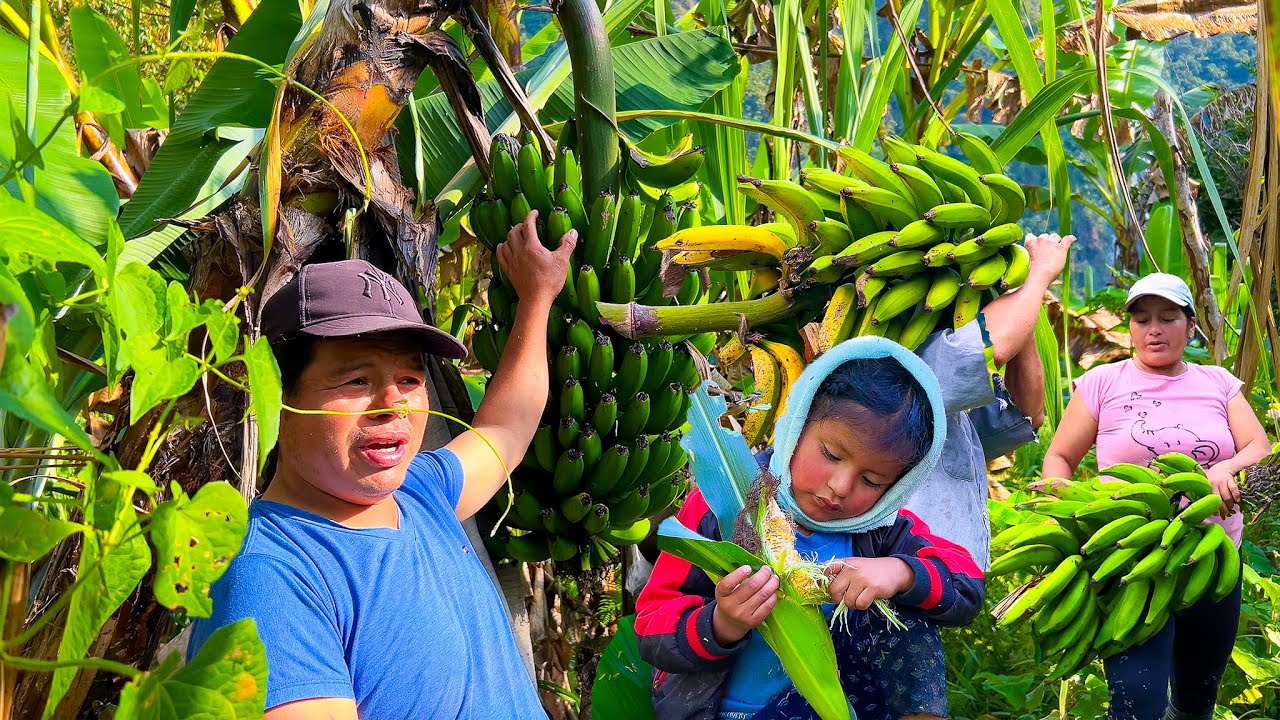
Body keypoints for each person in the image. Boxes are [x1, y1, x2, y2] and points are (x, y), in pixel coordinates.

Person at [186, 210, 575, 719]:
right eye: (356, 381)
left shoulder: (421, 494)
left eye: (410, 380)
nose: (393, 404)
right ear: (275, 395)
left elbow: (505, 428)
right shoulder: (270, 576)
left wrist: (537, 297)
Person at [635, 338, 985, 720]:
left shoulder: (882, 530)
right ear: (798, 423)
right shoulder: (722, 505)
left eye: (871, 480)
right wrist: (722, 622)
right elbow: (653, 626)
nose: (840, 487)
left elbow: (967, 583)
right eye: (831, 455)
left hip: (836, 706)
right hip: (731, 712)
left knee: (907, 611)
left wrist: (900, 572)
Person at [1042, 272, 1270, 720]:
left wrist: (1224, 467)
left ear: (1190, 325)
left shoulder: (1218, 382)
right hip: (1131, 560)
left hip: (1213, 556)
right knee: (1136, 704)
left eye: (1168, 318)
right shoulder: (1102, 383)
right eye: (1142, 319)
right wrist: (1065, 498)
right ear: (1130, 328)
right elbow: (1060, 457)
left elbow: (1258, 447)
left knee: (1195, 702)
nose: (1154, 329)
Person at [902, 232, 1073, 570]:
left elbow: (1027, 411)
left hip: (938, 581)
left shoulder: (950, 414)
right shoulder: (905, 367)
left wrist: (1020, 291)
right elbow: (995, 346)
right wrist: (1038, 274)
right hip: (896, 573)